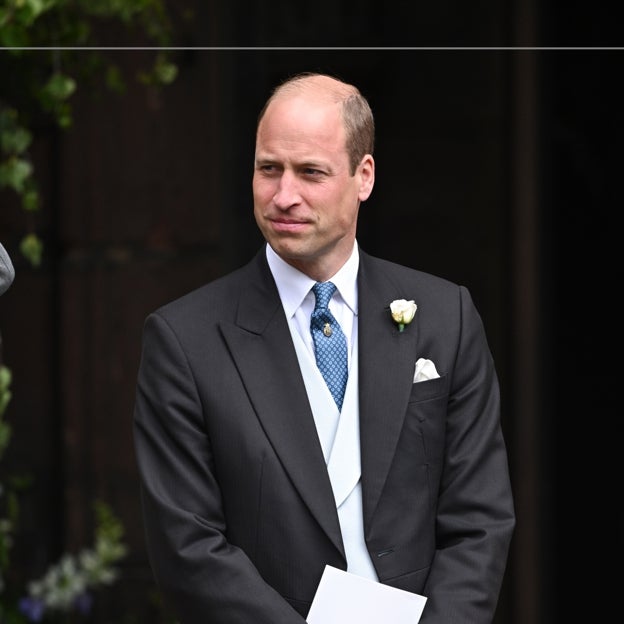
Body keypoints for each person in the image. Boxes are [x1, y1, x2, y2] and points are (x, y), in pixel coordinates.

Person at [133, 72, 515, 623]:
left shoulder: (445, 316)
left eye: (310, 172)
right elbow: (189, 549)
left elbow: (480, 519)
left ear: (364, 177)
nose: (284, 196)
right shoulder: (184, 340)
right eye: (269, 169)